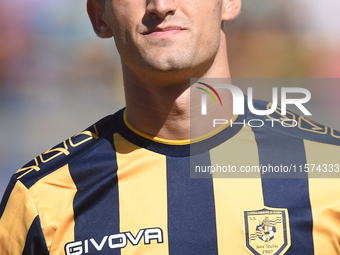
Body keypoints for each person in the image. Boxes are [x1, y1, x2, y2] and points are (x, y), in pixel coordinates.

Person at [1, 0, 340, 254]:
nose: (161, 6)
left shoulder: (330, 174)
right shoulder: (40, 198)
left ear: (230, 2)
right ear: (98, 16)